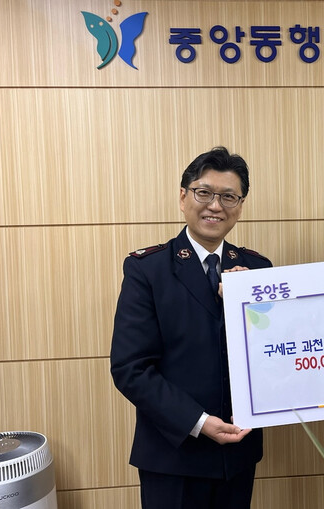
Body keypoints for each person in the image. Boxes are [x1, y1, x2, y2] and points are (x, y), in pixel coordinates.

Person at [110, 147, 272, 509]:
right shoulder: (147, 269)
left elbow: (272, 355)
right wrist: (198, 422)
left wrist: (248, 305)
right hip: (174, 455)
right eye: (204, 193)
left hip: (237, 454)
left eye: (228, 196)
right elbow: (130, 368)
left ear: (240, 206)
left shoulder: (256, 270)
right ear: (183, 197)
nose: (215, 205)